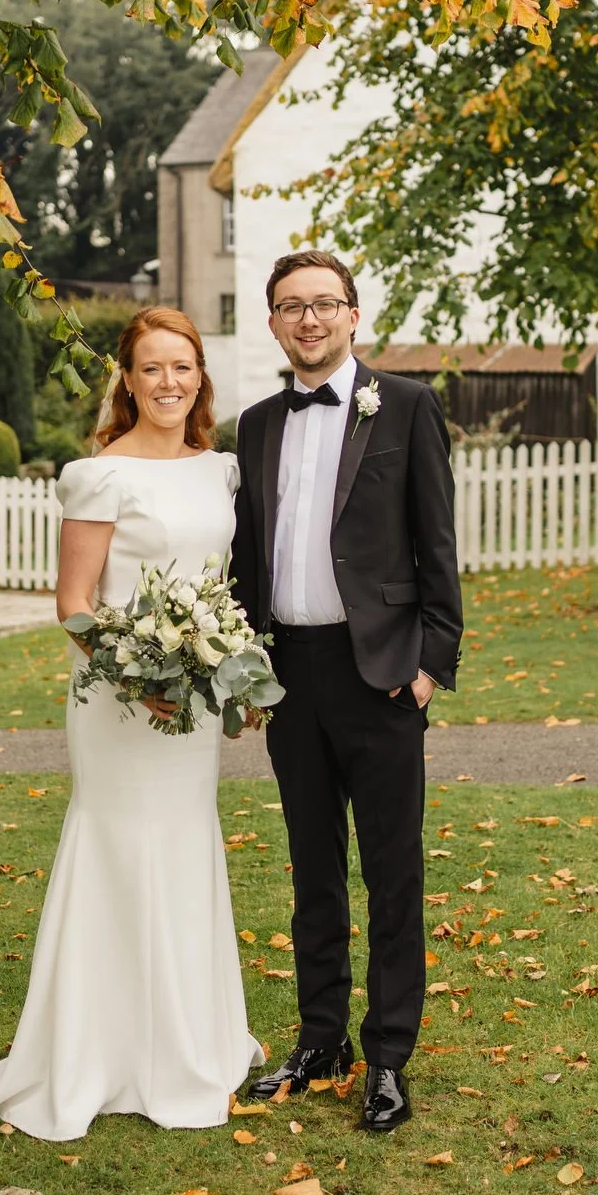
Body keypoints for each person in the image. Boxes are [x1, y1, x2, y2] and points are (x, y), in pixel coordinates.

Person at [0, 307, 261, 1141]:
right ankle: (97, 1052)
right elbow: (75, 606)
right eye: (152, 368)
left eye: (183, 367)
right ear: (126, 379)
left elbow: (220, 588)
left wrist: (224, 674)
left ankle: (191, 1042)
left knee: (185, 847)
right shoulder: (100, 476)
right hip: (119, 704)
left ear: (201, 376)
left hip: (193, 706)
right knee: (118, 852)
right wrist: (137, 675)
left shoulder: (219, 470)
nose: (169, 382)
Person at [230, 250, 463, 1133]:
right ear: (274, 322)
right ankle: (320, 1037)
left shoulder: (403, 405)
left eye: (325, 304)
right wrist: (246, 667)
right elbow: (248, 559)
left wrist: (433, 663)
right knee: (313, 870)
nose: (310, 320)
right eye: (292, 307)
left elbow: (436, 544)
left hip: (383, 675)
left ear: (354, 315)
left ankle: (389, 1058)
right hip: (292, 677)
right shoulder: (254, 424)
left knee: (392, 872)